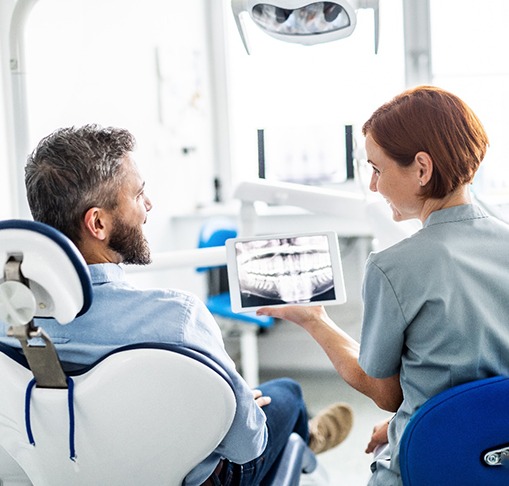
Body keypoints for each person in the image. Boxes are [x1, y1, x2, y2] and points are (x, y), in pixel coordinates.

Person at [0, 124, 353, 486]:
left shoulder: (9, 321)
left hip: (65, 470)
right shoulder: (178, 319)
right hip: (195, 479)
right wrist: (240, 403)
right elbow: (247, 445)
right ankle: (308, 438)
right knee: (286, 395)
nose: (148, 205)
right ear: (98, 223)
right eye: (138, 195)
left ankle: (308, 438)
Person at [257, 85, 509, 484]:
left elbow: (385, 393)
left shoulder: (394, 268)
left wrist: (314, 320)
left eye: (377, 169)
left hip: (431, 465)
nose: (373, 186)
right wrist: (407, 424)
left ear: (422, 169)